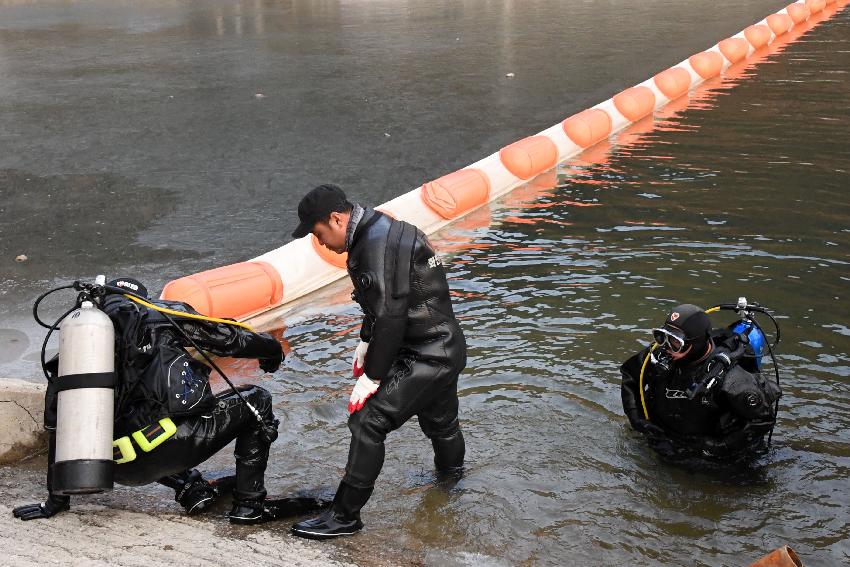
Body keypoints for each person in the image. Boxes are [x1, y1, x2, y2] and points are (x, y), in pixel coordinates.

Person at [13, 277, 320, 524]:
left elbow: (56, 425)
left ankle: (190, 487)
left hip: (116, 468)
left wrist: (55, 501)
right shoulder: (158, 315)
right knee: (256, 400)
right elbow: (228, 337)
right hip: (172, 446)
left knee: (132, 417)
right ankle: (250, 506)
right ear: (141, 300)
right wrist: (270, 349)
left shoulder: (76, 351)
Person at [288, 184, 467, 539]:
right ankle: (452, 486)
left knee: (367, 421)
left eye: (318, 233)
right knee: (441, 423)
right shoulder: (380, 228)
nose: (319, 242)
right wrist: (366, 340)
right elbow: (389, 299)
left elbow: (390, 315)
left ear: (336, 219)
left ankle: (345, 516)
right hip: (445, 346)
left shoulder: (373, 245)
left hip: (427, 353)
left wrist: (372, 377)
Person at [620, 303, 782, 460]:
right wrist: (637, 419)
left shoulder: (733, 379)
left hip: (706, 455)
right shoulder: (659, 354)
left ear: (696, 342)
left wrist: (718, 447)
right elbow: (630, 375)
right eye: (663, 337)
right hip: (662, 438)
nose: (667, 347)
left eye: (676, 342)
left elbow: (763, 419)